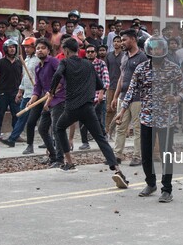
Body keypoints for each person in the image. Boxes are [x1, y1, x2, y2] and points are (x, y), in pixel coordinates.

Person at [49, 38, 129, 188]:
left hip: (72, 108)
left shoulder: (65, 62)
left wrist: (52, 92)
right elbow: (100, 85)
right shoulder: (88, 64)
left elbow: (57, 75)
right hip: (88, 108)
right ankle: (118, 170)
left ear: (66, 51)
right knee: (101, 139)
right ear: (78, 50)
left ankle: (69, 163)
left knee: (59, 128)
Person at [115, 36, 183, 202]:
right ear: (149, 51)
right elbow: (131, 91)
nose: (157, 51)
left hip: (166, 118)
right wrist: (122, 110)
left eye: (160, 49)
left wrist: (176, 98)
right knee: (146, 154)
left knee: (166, 154)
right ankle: (150, 183)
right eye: (154, 49)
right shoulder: (141, 69)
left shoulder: (173, 69)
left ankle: (167, 189)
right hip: (147, 117)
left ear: (164, 50)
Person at [111, 29, 147, 166]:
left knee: (138, 128)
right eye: (121, 40)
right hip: (123, 97)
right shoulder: (124, 56)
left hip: (138, 98)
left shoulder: (142, 57)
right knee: (120, 127)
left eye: (124, 40)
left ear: (133, 39)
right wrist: (115, 97)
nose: (122, 43)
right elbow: (121, 77)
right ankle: (117, 155)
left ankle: (137, 156)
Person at [0, 37, 39, 147]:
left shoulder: (38, 60)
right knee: (21, 117)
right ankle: (12, 139)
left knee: (42, 119)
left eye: (28, 47)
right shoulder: (25, 60)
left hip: (36, 94)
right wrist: (20, 91)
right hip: (27, 93)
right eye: (25, 47)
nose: (26, 49)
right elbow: (25, 77)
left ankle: (51, 140)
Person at [78, 44, 109, 150]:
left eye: (92, 52)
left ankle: (103, 136)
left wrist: (102, 92)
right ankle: (85, 142)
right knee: (82, 119)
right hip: (84, 97)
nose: (90, 53)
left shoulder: (101, 63)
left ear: (95, 53)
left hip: (98, 96)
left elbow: (105, 79)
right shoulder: (82, 64)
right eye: (88, 52)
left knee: (96, 119)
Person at [0, 39, 22, 141]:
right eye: (10, 47)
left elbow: (21, 77)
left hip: (15, 92)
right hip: (2, 92)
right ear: (6, 49)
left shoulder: (19, 62)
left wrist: (21, 91)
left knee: (16, 114)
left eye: (13, 47)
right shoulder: (0, 62)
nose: (12, 49)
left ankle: (15, 135)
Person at [105, 35, 123, 139]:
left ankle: (113, 131)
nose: (116, 43)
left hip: (120, 86)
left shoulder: (124, 55)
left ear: (121, 43)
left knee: (118, 109)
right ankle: (107, 131)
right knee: (109, 109)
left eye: (118, 41)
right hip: (110, 85)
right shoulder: (109, 56)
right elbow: (106, 70)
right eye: (114, 41)